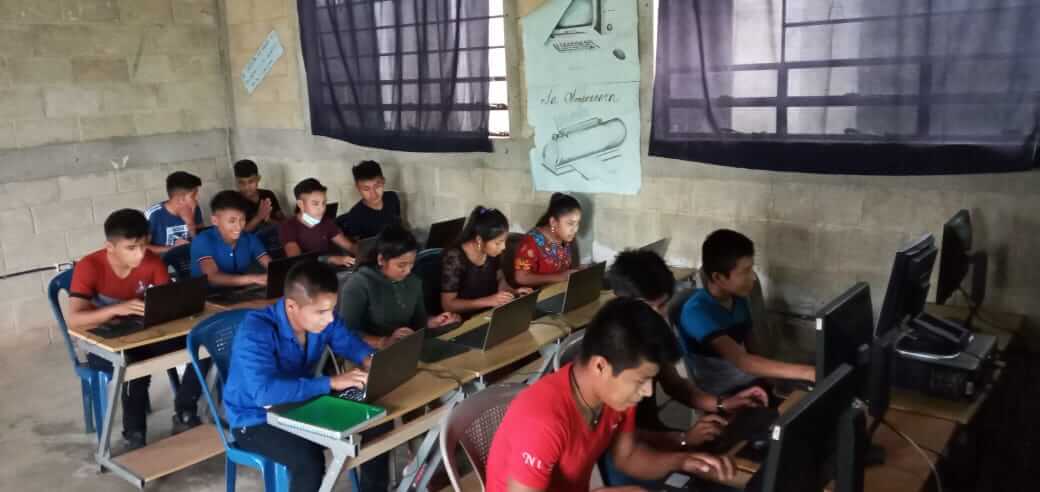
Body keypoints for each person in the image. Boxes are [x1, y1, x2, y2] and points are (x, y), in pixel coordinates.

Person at [485, 297, 735, 492]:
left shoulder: (614, 394)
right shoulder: (543, 421)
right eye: (641, 380)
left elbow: (627, 456)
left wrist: (683, 461)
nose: (647, 391)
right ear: (600, 366)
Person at [601, 249, 770, 488]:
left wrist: (724, 403)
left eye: (663, 306)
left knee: (736, 462)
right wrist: (682, 440)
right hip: (635, 461)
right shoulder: (612, 353)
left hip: (660, 439)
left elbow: (676, 385)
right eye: (654, 307)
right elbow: (620, 441)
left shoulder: (651, 333)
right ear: (622, 302)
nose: (661, 316)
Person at [223, 260, 374, 492]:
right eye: (321, 312)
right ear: (292, 306)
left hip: (301, 406)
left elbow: (351, 344)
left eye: (332, 309)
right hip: (254, 419)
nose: (330, 319)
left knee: (376, 424)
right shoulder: (255, 331)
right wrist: (331, 382)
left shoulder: (324, 321)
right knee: (308, 460)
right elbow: (265, 393)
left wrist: (370, 360)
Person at [65, 209, 208, 450]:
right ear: (110, 247)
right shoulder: (89, 266)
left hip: (141, 332)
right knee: (133, 363)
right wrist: (116, 309)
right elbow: (75, 320)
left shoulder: (151, 261)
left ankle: (185, 410)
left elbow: (167, 299)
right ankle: (134, 433)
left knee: (202, 344)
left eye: (143, 245)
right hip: (101, 342)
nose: (141, 254)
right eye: (131, 248)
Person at [337, 223, 460, 491]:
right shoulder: (360, 283)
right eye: (401, 265)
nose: (407, 271)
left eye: (410, 265)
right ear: (381, 260)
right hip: (363, 362)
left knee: (434, 395)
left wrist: (435, 321)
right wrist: (382, 341)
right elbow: (345, 333)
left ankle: (424, 465)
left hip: (403, 357)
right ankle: (377, 482)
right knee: (378, 424)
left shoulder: (412, 282)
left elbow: (418, 324)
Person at [679, 229, 815, 396]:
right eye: (745, 272)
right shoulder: (697, 312)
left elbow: (754, 350)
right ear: (718, 278)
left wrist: (776, 380)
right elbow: (742, 361)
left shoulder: (739, 300)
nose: (752, 277)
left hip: (748, 381)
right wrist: (806, 372)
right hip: (721, 393)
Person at [440, 206, 532, 317]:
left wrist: (513, 292)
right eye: (498, 243)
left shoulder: (492, 252)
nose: (503, 247)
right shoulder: (454, 257)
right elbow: (448, 305)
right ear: (479, 240)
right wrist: (488, 301)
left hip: (489, 314)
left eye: (504, 241)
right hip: (463, 320)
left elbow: (500, 280)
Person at [190, 190, 271, 288]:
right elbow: (212, 277)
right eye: (232, 221)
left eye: (242, 220)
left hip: (238, 294)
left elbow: (271, 266)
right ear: (215, 220)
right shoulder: (203, 240)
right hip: (206, 298)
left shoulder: (250, 239)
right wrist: (253, 279)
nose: (238, 227)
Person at [279, 178, 356, 267]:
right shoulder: (288, 226)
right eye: (315, 204)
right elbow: (298, 262)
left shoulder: (326, 222)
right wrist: (330, 259)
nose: (322, 208)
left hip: (327, 270)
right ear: (301, 204)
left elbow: (349, 246)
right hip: (306, 275)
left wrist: (364, 252)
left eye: (324, 203)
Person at [513, 192, 582, 287]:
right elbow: (521, 277)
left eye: (577, 223)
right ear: (553, 222)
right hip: (537, 297)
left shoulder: (567, 238)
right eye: (570, 223)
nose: (575, 229)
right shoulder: (531, 241)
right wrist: (559, 277)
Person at [336, 160, 403, 240]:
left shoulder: (392, 197)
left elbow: (399, 227)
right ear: (358, 188)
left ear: (383, 181)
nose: (373, 194)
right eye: (366, 189)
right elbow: (358, 248)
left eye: (377, 186)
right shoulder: (355, 216)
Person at [145, 171, 203, 254]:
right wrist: (172, 248)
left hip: (189, 260)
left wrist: (191, 224)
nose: (197, 198)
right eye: (193, 195)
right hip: (164, 263)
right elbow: (143, 247)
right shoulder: (153, 215)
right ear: (181, 199)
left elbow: (201, 242)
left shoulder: (194, 208)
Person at [233, 159, 286, 232]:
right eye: (241, 183)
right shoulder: (234, 200)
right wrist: (259, 217)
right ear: (236, 181)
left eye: (251, 181)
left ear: (258, 179)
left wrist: (269, 220)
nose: (247, 187)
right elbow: (238, 233)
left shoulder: (268, 195)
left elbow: (284, 223)